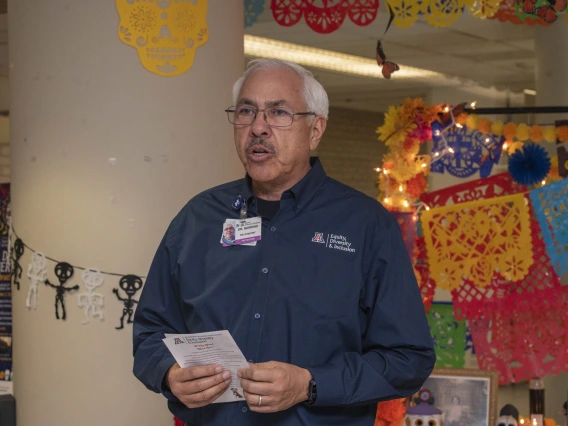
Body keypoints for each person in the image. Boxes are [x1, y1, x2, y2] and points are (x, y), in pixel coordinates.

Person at [133, 58, 435, 426]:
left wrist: (310, 384)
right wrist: (167, 372)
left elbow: (409, 359)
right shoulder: (197, 219)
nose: (258, 128)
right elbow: (150, 334)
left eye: (279, 113)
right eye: (246, 111)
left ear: (315, 129)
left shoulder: (366, 226)